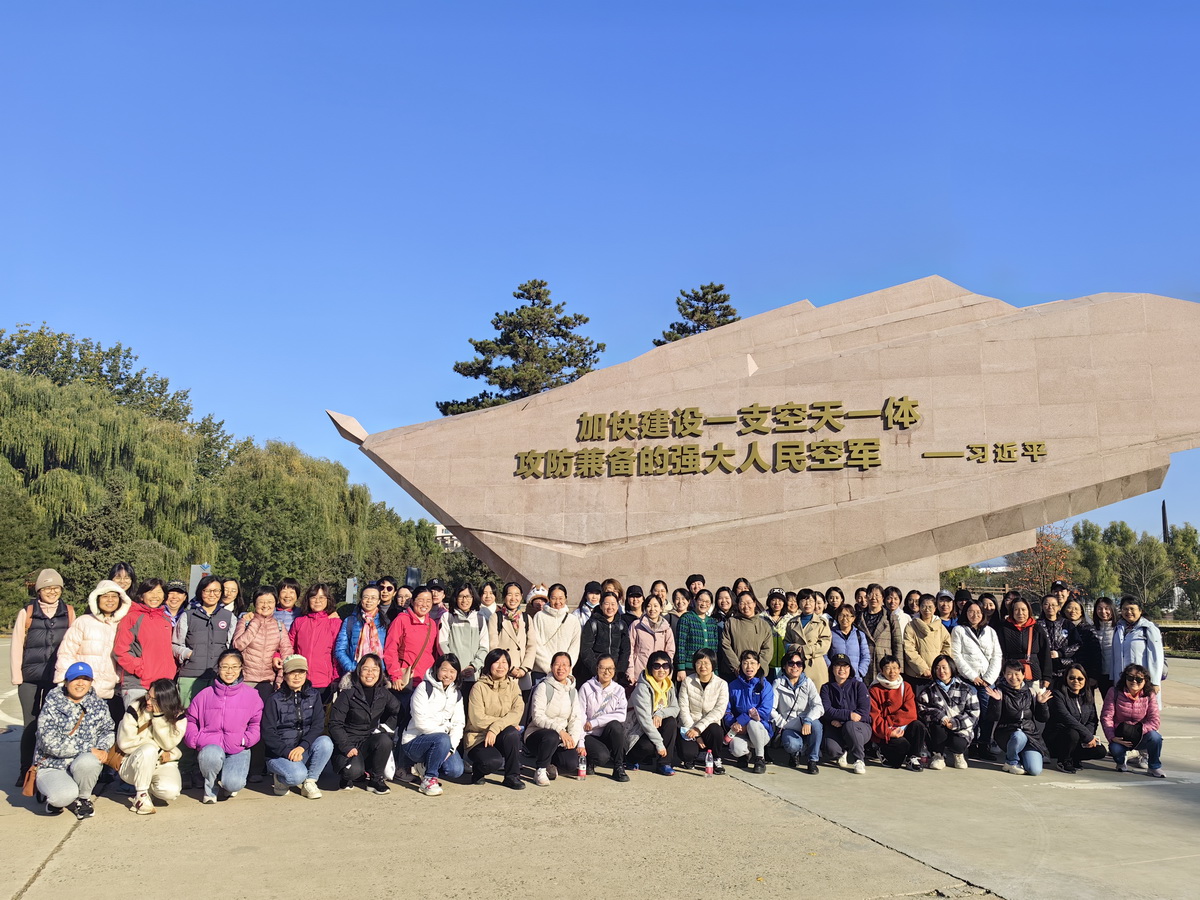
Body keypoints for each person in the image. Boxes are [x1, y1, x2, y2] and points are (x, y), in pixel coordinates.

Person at [12, 568, 77, 784]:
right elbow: (16, 645)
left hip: (56, 678)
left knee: (54, 724)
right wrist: (17, 677)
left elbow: (74, 644)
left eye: (56, 588)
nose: (52, 592)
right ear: (39, 590)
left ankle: (50, 767)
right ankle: (25, 770)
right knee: (31, 725)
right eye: (47, 588)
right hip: (29, 678)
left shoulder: (68, 611)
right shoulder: (28, 612)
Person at [33, 661, 114, 818]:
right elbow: (49, 743)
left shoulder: (99, 704)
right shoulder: (52, 704)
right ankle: (56, 797)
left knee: (89, 761)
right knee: (62, 797)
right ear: (66, 682)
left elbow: (107, 730)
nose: (80, 683)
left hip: (81, 763)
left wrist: (102, 748)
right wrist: (88, 749)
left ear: (91, 682)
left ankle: (83, 799)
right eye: (76, 678)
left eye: (86, 679)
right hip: (53, 764)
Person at [185, 649, 264, 803]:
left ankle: (227, 785)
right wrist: (195, 739)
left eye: (234, 667)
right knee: (210, 755)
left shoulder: (252, 695)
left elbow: (255, 723)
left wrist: (246, 740)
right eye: (225, 667)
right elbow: (191, 719)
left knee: (233, 784)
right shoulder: (205, 694)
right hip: (211, 745)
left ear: (241, 668)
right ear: (218, 668)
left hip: (238, 746)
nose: (229, 671)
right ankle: (210, 788)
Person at [54, 579, 131, 725]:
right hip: (82, 690)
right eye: (105, 596)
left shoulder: (124, 624)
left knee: (106, 733)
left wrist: (119, 680)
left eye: (114, 596)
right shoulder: (83, 622)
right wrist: (62, 681)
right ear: (97, 599)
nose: (110, 600)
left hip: (110, 692)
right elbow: (66, 652)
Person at [262, 654, 333, 800]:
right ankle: (280, 779)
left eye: (301, 672)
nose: (297, 676)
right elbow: (268, 732)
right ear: (285, 675)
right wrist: (287, 752)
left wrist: (302, 746)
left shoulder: (314, 695)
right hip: (280, 754)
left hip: (302, 750)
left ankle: (310, 782)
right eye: (292, 672)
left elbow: (318, 724)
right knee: (296, 776)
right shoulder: (274, 699)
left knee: (325, 742)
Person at [328, 653, 401, 794]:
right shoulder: (348, 693)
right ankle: (347, 776)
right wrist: (346, 746)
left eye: (375, 669)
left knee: (384, 740)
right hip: (348, 743)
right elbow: (335, 724)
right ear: (359, 670)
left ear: (380, 672)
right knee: (353, 771)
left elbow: (398, 711)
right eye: (366, 669)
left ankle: (376, 780)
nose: (370, 673)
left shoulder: (383, 693)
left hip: (368, 741)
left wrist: (385, 728)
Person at [116, 678, 187, 814]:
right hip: (133, 763)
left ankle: (148, 789)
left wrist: (158, 716)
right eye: (148, 695)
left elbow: (168, 744)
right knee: (149, 749)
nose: (148, 701)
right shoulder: (135, 707)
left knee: (170, 792)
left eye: (154, 700)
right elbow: (125, 743)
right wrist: (159, 750)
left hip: (162, 764)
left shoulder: (178, 716)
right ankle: (141, 796)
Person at [401, 653, 467, 795]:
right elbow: (420, 722)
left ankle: (425, 765)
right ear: (437, 669)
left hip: (441, 741)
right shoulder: (424, 688)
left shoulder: (456, 693)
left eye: (452, 671)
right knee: (442, 739)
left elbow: (459, 723)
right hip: (414, 741)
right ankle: (429, 779)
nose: (448, 675)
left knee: (456, 770)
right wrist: (443, 735)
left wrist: (450, 748)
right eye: (444, 670)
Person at [464, 649, 525, 789]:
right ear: (488, 665)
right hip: (478, 736)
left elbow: (517, 713)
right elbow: (477, 719)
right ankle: (478, 770)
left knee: (512, 734)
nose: (501, 666)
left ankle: (512, 776)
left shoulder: (513, 687)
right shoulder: (478, 687)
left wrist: (495, 728)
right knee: (492, 763)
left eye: (504, 662)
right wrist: (501, 724)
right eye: (496, 662)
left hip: (500, 734)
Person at [173, 575, 236, 707]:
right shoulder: (188, 616)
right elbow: (175, 644)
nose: (212, 594)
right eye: (207, 590)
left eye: (216, 590)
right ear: (200, 592)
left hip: (217, 676)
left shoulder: (229, 617)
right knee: (187, 714)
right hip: (191, 675)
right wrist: (188, 654)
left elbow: (231, 646)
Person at [951, 599, 1002, 759]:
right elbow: (956, 656)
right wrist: (972, 676)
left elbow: (997, 655)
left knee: (987, 714)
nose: (975, 615)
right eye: (971, 611)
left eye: (978, 612)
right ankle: (971, 745)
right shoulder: (959, 630)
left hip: (987, 680)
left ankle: (984, 745)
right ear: (965, 612)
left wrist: (988, 679)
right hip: (968, 679)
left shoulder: (990, 631)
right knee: (971, 713)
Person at [524, 651, 584, 786]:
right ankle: (540, 770)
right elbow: (537, 717)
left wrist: (573, 740)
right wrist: (560, 730)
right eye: (557, 664)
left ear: (570, 668)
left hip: (560, 739)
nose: (561, 668)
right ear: (551, 667)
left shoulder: (572, 691)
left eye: (565, 665)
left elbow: (575, 718)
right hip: (537, 735)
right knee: (551, 736)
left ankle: (550, 764)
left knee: (571, 763)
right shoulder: (543, 687)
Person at [114, 577, 176, 706]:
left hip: (162, 685)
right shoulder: (132, 617)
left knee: (160, 720)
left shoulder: (166, 619)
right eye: (150, 592)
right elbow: (120, 651)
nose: (155, 596)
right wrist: (141, 668)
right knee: (136, 719)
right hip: (138, 684)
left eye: (159, 592)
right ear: (142, 596)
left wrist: (171, 669)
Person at [986, 661, 1052, 776]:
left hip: (1030, 734)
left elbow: (1042, 718)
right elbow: (992, 717)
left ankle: (1020, 755)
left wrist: (1042, 704)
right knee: (1019, 736)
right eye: (1009, 674)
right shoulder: (999, 692)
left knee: (1034, 770)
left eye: (1017, 674)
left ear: (1023, 675)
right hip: (1007, 733)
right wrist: (996, 702)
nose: (1013, 677)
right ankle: (1011, 762)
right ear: (1004, 674)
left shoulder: (1031, 692)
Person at [1101, 663, 1164, 777]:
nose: (1134, 681)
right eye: (1130, 678)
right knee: (1115, 748)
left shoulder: (1149, 695)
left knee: (1156, 738)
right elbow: (1106, 717)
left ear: (1145, 681)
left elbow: (1154, 720)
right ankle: (1121, 761)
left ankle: (1154, 766)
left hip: (1141, 735)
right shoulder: (1114, 692)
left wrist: (1137, 732)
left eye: (1139, 679)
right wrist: (1112, 737)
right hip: (1121, 736)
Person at [916, 655, 978, 770]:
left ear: (952, 668)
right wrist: (940, 717)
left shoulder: (966, 688)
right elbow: (922, 708)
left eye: (944, 667)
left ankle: (958, 755)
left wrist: (956, 723)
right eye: (937, 668)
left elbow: (974, 712)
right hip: (940, 725)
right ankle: (938, 756)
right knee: (936, 728)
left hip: (960, 728)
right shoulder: (929, 689)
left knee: (958, 743)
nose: (941, 671)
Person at [625, 650, 679, 775]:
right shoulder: (642, 687)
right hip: (638, 731)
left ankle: (664, 764)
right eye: (657, 666)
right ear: (650, 668)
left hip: (655, 727)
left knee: (671, 721)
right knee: (648, 747)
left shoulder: (669, 685)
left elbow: (675, 709)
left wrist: (660, 713)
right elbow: (645, 721)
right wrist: (659, 744)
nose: (661, 670)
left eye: (665, 666)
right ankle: (630, 759)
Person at [675, 648, 729, 774]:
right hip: (690, 726)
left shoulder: (721, 684)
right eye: (699, 662)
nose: (702, 666)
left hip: (709, 726)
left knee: (716, 730)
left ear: (713, 664)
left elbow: (719, 711)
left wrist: (698, 729)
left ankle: (715, 758)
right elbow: (683, 709)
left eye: (706, 663)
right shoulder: (687, 681)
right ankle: (699, 754)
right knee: (687, 755)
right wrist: (695, 734)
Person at [577, 654, 630, 780]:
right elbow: (579, 716)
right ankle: (591, 760)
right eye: (603, 668)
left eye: (610, 668)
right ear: (597, 668)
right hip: (589, 734)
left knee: (616, 726)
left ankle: (618, 767)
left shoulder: (619, 690)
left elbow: (621, 715)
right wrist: (580, 742)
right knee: (602, 757)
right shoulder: (586, 688)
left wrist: (595, 722)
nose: (607, 672)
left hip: (606, 732)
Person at [233, 587, 293, 696]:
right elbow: (237, 646)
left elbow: (287, 653)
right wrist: (255, 624)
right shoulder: (245, 621)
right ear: (255, 603)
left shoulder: (279, 626)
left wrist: (280, 679)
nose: (265, 605)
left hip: (268, 682)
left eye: (270, 602)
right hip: (245, 680)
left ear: (275, 603)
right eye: (261, 602)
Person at [1047, 663, 1106, 773]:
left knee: (1100, 751)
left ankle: (1074, 758)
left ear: (1085, 680)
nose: (1076, 681)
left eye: (1080, 679)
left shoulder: (1088, 696)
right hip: (1059, 737)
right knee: (1073, 733)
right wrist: (1086, 735)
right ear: (1066, 678)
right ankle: (1063, 761)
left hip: (1079, 737)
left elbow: (1092, 720)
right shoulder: (1057, 695)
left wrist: (1088, 737)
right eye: (1072, 678)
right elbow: (1066, 718)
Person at [869, 655, 925, 772]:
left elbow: (910, 713)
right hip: (885, 730)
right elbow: (874, 717)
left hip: (902, 726)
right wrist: (889, 731)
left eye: (895, 668)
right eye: (888, 668)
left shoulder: (906, 687)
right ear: (881, 670)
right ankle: (882, 751)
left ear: (900, 670)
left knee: (918, 726)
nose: (892, 672)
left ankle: (913, 757)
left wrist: (890, 721)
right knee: (898, 756)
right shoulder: (874, 690)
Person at [287, 583, 342, 702]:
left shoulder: (334, 623)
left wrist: (336, 678)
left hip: (324, 681)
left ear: (328, 600)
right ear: (308, 600)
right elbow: (289, 647)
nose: (317, 601)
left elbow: (337, 653)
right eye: (313, 597)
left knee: (321, 712)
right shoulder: (299, 621)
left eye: (322, 597)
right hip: (300, 679)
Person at [723, 650, 775, 773]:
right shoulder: (733, 686)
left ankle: (760, 758)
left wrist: (742, 721)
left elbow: (764, 710)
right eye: (745, 663)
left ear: (758, 665)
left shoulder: (765, 685)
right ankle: (745, 754)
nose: (749, 667)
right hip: (740, 730)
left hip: (760, 729)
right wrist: (733, 724)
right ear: (741, 665)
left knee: (752, 724)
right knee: (736, 750)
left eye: (752, 663)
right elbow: (727, 711)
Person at [772, 651, 823, 773]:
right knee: (791, 744)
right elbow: (771, 709)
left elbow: (818, 706)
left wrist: (808, 719)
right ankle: (795, 753)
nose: (795, 666)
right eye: (791, 663)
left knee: (817, 726)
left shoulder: (808, 683)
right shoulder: (778, 684)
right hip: (788, 724)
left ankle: (812, 760)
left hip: (806, 723)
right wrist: (783, 723)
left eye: (799, 663)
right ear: (784, 666)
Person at [820, 653, 871, 775]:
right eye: (838, 665)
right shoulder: (826, 688)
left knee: (850, 726)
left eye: (845, 666)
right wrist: (848, 715)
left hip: (859, 727)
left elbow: (863, 712)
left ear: (850, 669)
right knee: (831, 749)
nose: (841, 669)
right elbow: (826, 710)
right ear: (832, 668)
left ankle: (859, 759)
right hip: (835, 726)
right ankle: (842, 752)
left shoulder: (859, 686)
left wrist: (843, 720)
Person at [383, 584, 441, 690]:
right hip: (406, 679)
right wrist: (395, 675)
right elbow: (390, 649)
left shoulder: (432, 624)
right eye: (421, 600)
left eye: (428, 601)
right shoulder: (401, 620)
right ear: (412, 601)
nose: (425, 604)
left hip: (427, 679)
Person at [438, 585, 489, 699]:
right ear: (455, 598)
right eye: (461, 596)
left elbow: (484, 647)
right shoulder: (447, 617)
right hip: (452, 676)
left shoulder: (480, 619)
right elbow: (442, 644)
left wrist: (473, 666)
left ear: (473, 598)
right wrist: (455, 667)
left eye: (468, 596)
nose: (464, 600)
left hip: (474, 676)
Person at [488, 582, 538, 693]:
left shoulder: (526, 618)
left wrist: (524, 668)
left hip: (522, 675)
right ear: (504, 597)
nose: (513, 598)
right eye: (509, 594)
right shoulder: (496, 618)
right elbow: (493, 646)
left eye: (517, 595)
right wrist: (509, 668)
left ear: (521, 596)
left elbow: (531, 646)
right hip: (503, 672)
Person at [1111, 597, 1164, 696]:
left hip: (1141, 680)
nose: (1128, 612)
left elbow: (1156, 656)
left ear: (1140, 610)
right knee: (1123, 704)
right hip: (1122, 679)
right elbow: (1114, 656)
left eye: (1132, 609)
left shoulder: (1148, 628)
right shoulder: (1118, 627)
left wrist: (1155, 681)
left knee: (1143, 704)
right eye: (1125, 609)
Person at [531, 583, 582, 684]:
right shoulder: (539, 617)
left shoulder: (573, 620)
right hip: (541, 672)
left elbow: (574, 648)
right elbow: (536, 644)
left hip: (564, 674)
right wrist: (550, 668)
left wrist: (564, 668)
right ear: (549, 598)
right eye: (554, 598)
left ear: (565, 598)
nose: (557, 602)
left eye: (561, 598)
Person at [998, 598, 1052, 690]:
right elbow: (999, 653)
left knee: (1035, 697)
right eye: (1016, 610)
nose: (1020, 613)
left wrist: (1046, 677)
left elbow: (1045, 653)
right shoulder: (1004, 628)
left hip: (1033, 672)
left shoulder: (1037, 628)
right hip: (1012, 674)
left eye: (1023, 609)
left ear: (1028, 611)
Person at [577, 590, 630, 684]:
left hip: (615, 676)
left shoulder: (621, 625)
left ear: (617, 606)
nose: (610, 607)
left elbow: (625, 651)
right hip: (594, 675)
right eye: (606, 604)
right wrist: (597, 670)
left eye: (613, 604)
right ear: (601, 605)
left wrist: (618, 672)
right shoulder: (592, 624)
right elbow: (586, 649)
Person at [335, 584, 389, 676]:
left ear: (379, 601)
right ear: (361, 599)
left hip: (378, 674)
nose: (369, 600)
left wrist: (381, 669)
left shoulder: (385, 622)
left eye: (373, 598)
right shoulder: (350, 621)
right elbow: (340, 649)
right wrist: (352, 668)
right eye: (366, 597)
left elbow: (390, 650)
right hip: (355, 672)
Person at [720, 591, 774, 680]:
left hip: (757, 674)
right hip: (734, 673)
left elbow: (767, 649)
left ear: (754, 603)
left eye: (749, 603)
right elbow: (725, 645)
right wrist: (737, 666)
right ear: (738, 605)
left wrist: (756, 667)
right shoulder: (731, 622)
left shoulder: (764, 625)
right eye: (742, 603)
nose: (746, 606)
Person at [903, 595, 952, 685]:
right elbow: (909, 650)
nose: (927, 610)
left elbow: (947, 648)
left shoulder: (940, 627)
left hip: (937, 674)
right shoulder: (911, 626)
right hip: (917, 675)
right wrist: (923, 669)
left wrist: (939, 667)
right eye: (923, 606)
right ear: (919, 607)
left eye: (930, 607)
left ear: (935, 608)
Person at [626, 594, 675, 684]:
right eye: (649, 606)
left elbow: (670, 652)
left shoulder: (666, 628)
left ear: (661, 608)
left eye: (656, 606)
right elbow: (629, 649)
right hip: (639, 671)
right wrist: (630, 672)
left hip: (659, 673)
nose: (652, 609)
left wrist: (668, 672)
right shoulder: (636, 625)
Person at [859, 584, 902, 683]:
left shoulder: (890, 617)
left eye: (877, 595)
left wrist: (898, 668)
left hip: (885, 661)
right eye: (870, 594)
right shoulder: (859, 617)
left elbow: (898, 643)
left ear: (882, 598)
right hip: (865, 661)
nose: (873, 598)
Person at [675, 589, 720, 683]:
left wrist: (715, 669)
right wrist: (681, 668)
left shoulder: (712, 622)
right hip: (689, 667)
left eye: (707, 602)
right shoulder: (686, 618)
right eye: (701, 600)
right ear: (695, 601)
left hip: (708, 669)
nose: (704, 604)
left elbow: (714, 648)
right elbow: (680, 644)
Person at [827, 604, 869, 682]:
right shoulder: (830, 634)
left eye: (848, 616)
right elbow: (824, 654)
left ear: (853, 618)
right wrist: (831, 668)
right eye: (841, 615)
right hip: (836, 677)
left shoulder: (859, 635)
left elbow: (865, 656)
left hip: (855, 678)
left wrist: (860, 672)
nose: (844, 618)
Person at [1040, 593, 1078, 676]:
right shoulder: (1037, 625)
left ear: (1059, 607)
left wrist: (1060, 653)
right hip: (1043, 669)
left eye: (1053, 605)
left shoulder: (1067, 624)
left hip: (1065, 668)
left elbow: (1077, 644)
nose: (1050, 607)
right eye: (1046, 604)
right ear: (1042, 606)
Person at [762, 588, 793, 673]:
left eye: (780, 600)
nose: (777, 603)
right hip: (766, 663)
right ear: (769, 602)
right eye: (773, 600)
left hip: (786, 664)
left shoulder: (790, 619)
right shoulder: (761, 618)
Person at [1092, 597, 1117, 695]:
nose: (1103, 611)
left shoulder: (1119, 628)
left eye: (1107, 608)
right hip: (1101, 675)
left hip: (1116, 674)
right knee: (1107, 701)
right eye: (1099, 608)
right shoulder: (1092, 629)